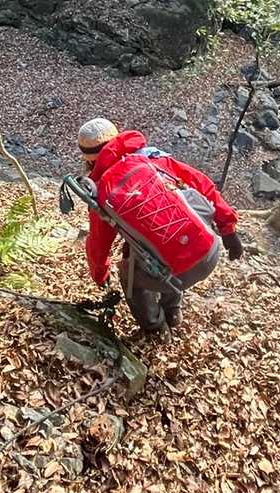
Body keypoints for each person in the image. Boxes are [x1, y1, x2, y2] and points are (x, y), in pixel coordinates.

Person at [77, 118, 243, 333]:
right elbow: (202, 184)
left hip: (174, 276)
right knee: (169, 235)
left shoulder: (103, 192)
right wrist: (228, 229)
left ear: (89, 160)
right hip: (210, 250)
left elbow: (99, 245)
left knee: (130, 274)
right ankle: (173, 310)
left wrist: (100, 275)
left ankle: (156, 327)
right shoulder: (153, 158)